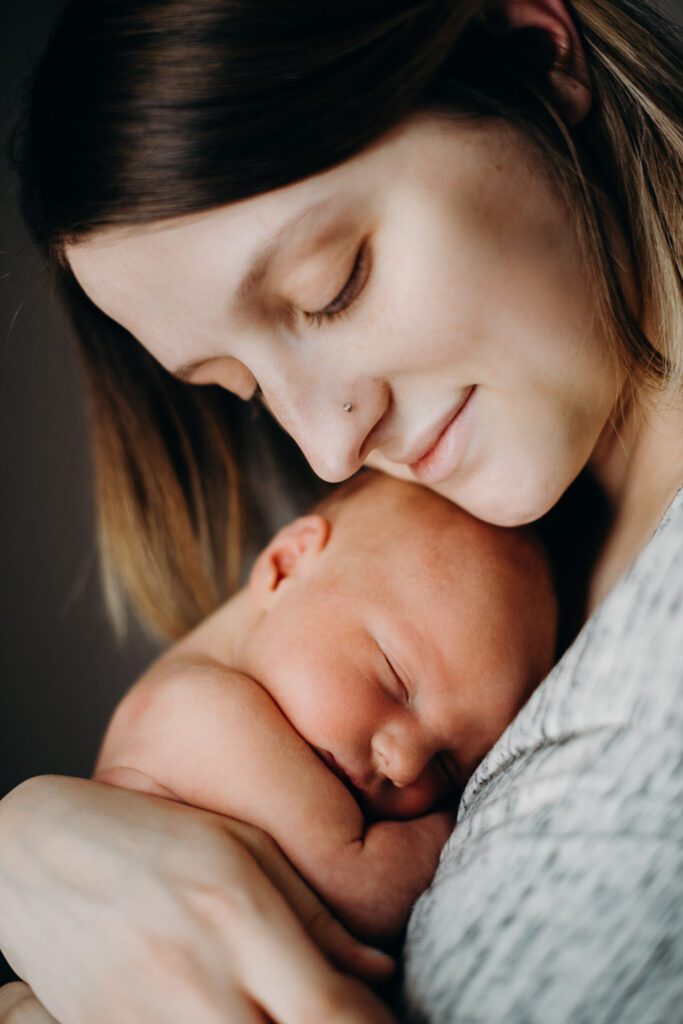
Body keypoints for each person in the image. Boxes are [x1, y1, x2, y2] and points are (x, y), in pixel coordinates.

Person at [0, 0, 681, 1022]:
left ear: (532, 47)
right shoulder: (477, 589)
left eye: (333, 285)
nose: (326, 444)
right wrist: (31, 846)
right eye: (241, 386)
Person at [93, 470, 557, 945]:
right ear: (286, 565)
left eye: (446, 767)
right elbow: (366, 889)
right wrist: (452, 821)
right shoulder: (197, 714)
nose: (405, 764)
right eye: (393, 679)